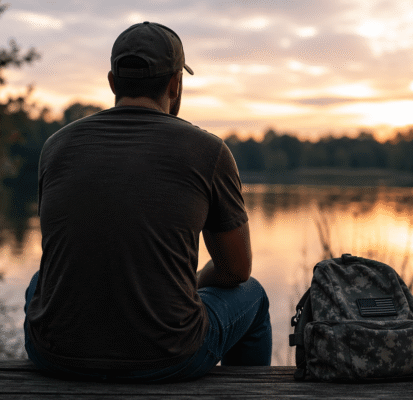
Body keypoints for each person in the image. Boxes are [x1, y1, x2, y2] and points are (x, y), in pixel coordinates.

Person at [23, 21, 272, 382]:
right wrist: (193, 282)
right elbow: (236, 270)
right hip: (168, 357)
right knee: (253, 294)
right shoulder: (209, 151)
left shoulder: (56, 147)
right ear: (175, 83)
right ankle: (248, 392)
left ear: (112, 82)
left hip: (53, 354)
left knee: (40, 280)